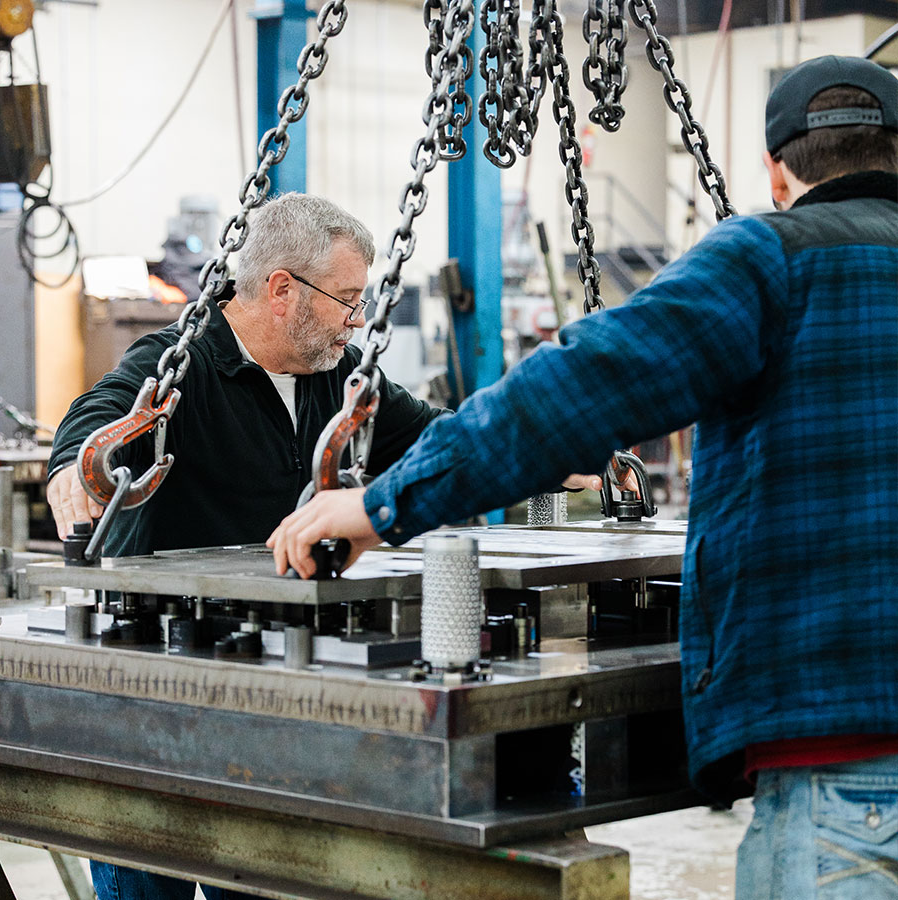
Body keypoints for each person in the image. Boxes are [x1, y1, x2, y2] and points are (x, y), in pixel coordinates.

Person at [269, 56, 898, 899]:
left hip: (846, 767)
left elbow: (577, 388)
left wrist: (382, 504)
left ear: (776, 174)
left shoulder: (773, 260)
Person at [47, 193, 446, 900]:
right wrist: (75, 470)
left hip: (271, 687)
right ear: (282, 289)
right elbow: (102, 414)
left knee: (263, 878)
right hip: (155, 693)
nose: (358, 319)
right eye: (348, 300)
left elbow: (433, 435)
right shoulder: (184, 362)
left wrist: (550, 447)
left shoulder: (341, 375)